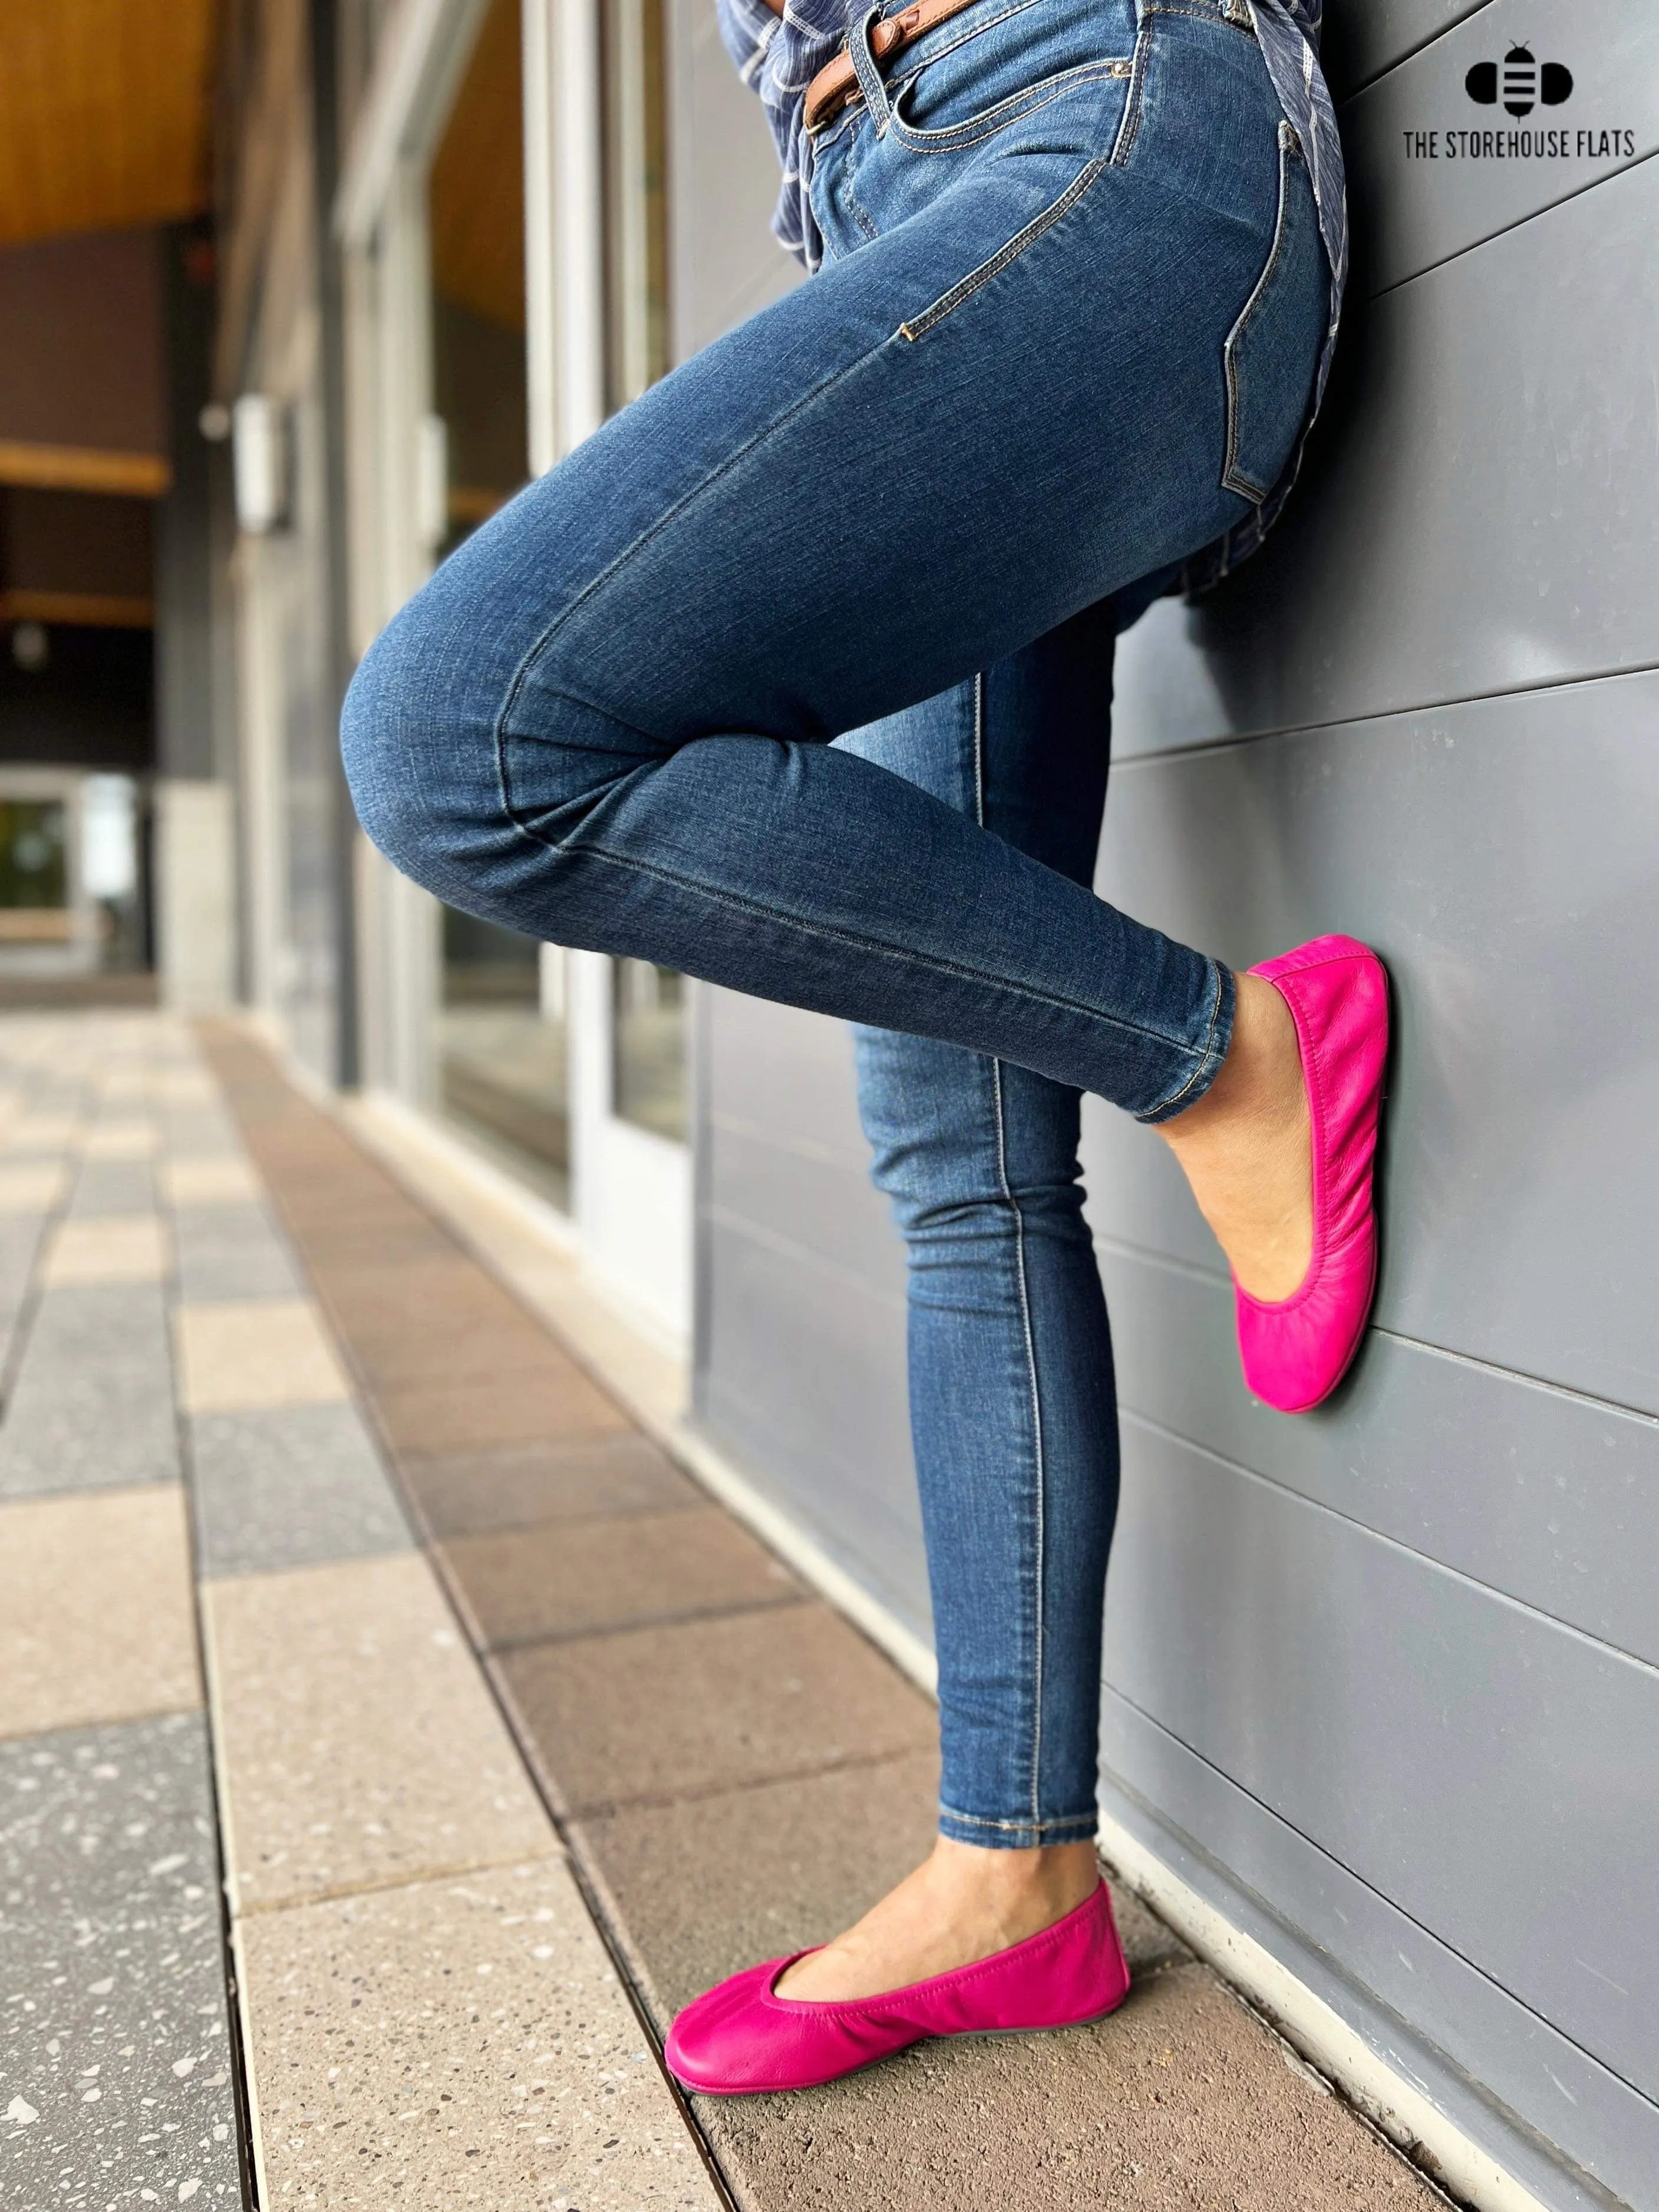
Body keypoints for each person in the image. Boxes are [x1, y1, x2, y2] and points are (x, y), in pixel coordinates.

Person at [342, 0, 1387, 2096]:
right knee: (955, 1138)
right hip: (878, 193)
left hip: (1098, 116)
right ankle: (1017, 1878)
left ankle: (1221, 1055)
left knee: (464, 742)